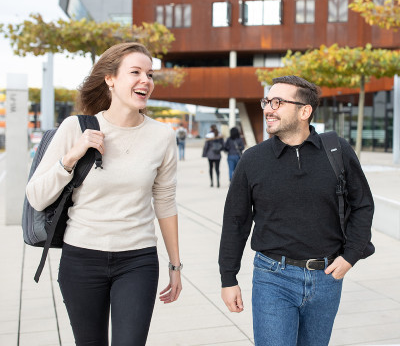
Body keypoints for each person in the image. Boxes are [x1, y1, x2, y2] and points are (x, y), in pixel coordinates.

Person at [26, 42, 182, 346]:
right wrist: (72, 155)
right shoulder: (76, 128)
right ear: (110, 79)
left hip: (138, 260)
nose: (145, 81)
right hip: (81, 258)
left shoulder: (163, 136)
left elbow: (165, 201)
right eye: (135, 72)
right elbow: (36, 197)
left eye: (150, 74)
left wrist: (175, 266)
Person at [218, 75, 374, 346]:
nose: (268, 108)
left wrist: (350, 256)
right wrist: (228, 278)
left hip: (327, 278)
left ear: (305, 111)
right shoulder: (252, 159)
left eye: (277, 102)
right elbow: (236, 222)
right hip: (272, 279)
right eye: (267, 101)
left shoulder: (337, 150)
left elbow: (363, 204)